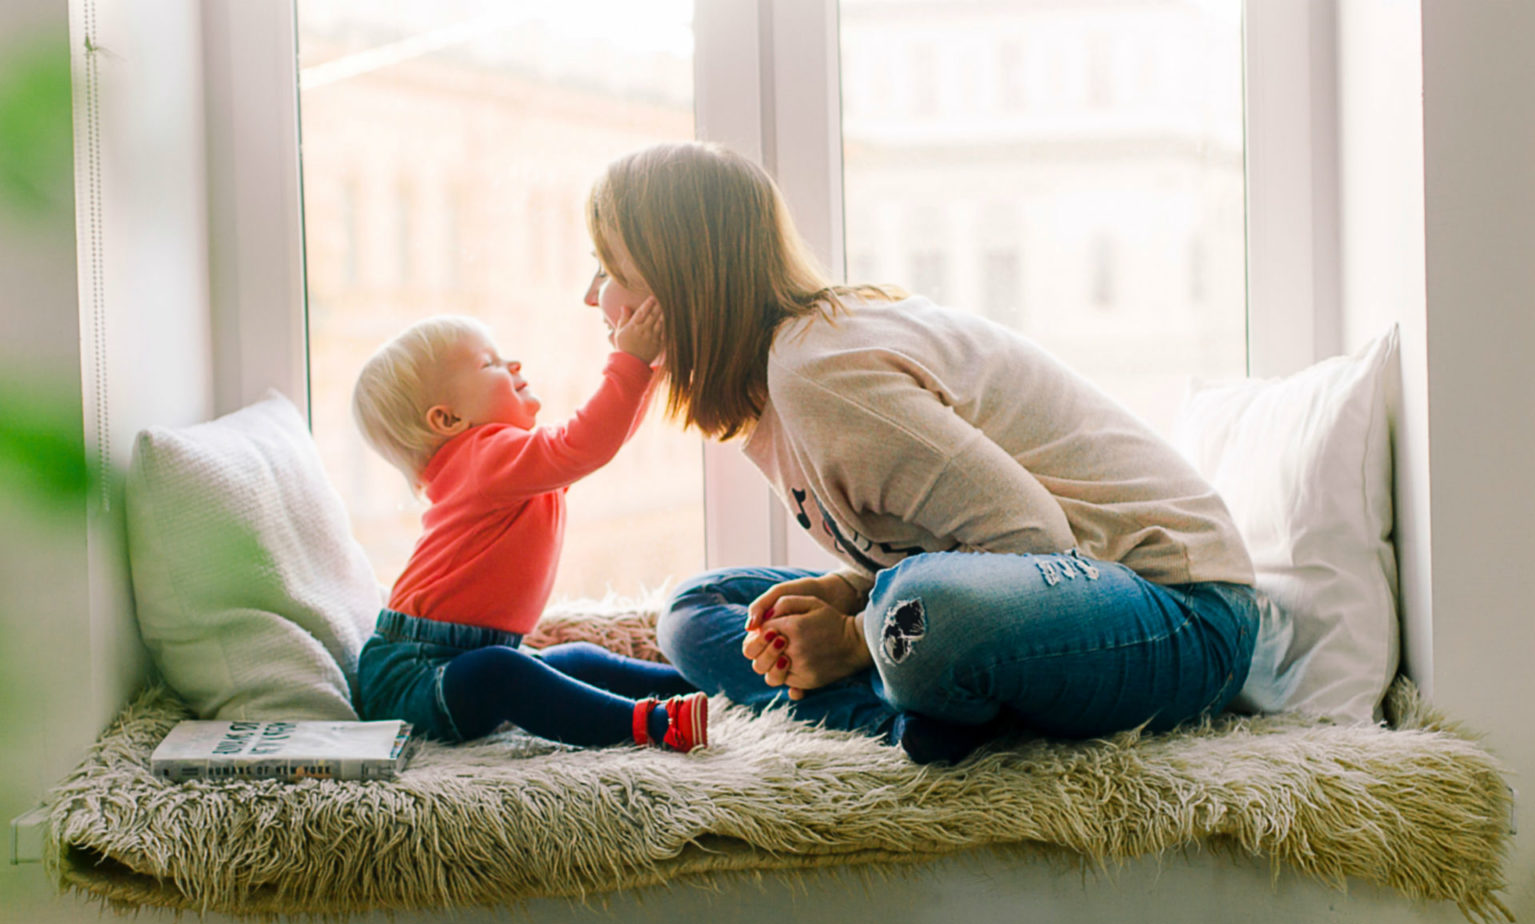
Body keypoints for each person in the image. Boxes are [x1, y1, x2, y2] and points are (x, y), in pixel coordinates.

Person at [582, 140, 1259, 764]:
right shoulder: (775, 386)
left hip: (1182, 614)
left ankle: (909, 697)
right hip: (1044, 597)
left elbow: (1035, 540)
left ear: (683, 283)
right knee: (699, 609)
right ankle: (914, 717)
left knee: (921, 611)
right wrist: (854, 596)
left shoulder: (818, 371)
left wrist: (851, 637)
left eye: (610, 269)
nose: (593, 296)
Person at [350, 306, 707, 753]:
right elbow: (586, 442)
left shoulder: (503, 464)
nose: (513, 364)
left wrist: (649, 370)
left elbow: (599, 443)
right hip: (413, 676)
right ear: (447, 420)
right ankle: (650, 725)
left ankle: (699, 683)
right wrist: (631, 363)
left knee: (574, 659)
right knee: (501, 673)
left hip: (461, 656)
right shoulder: (484, 458)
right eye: (489, 364)